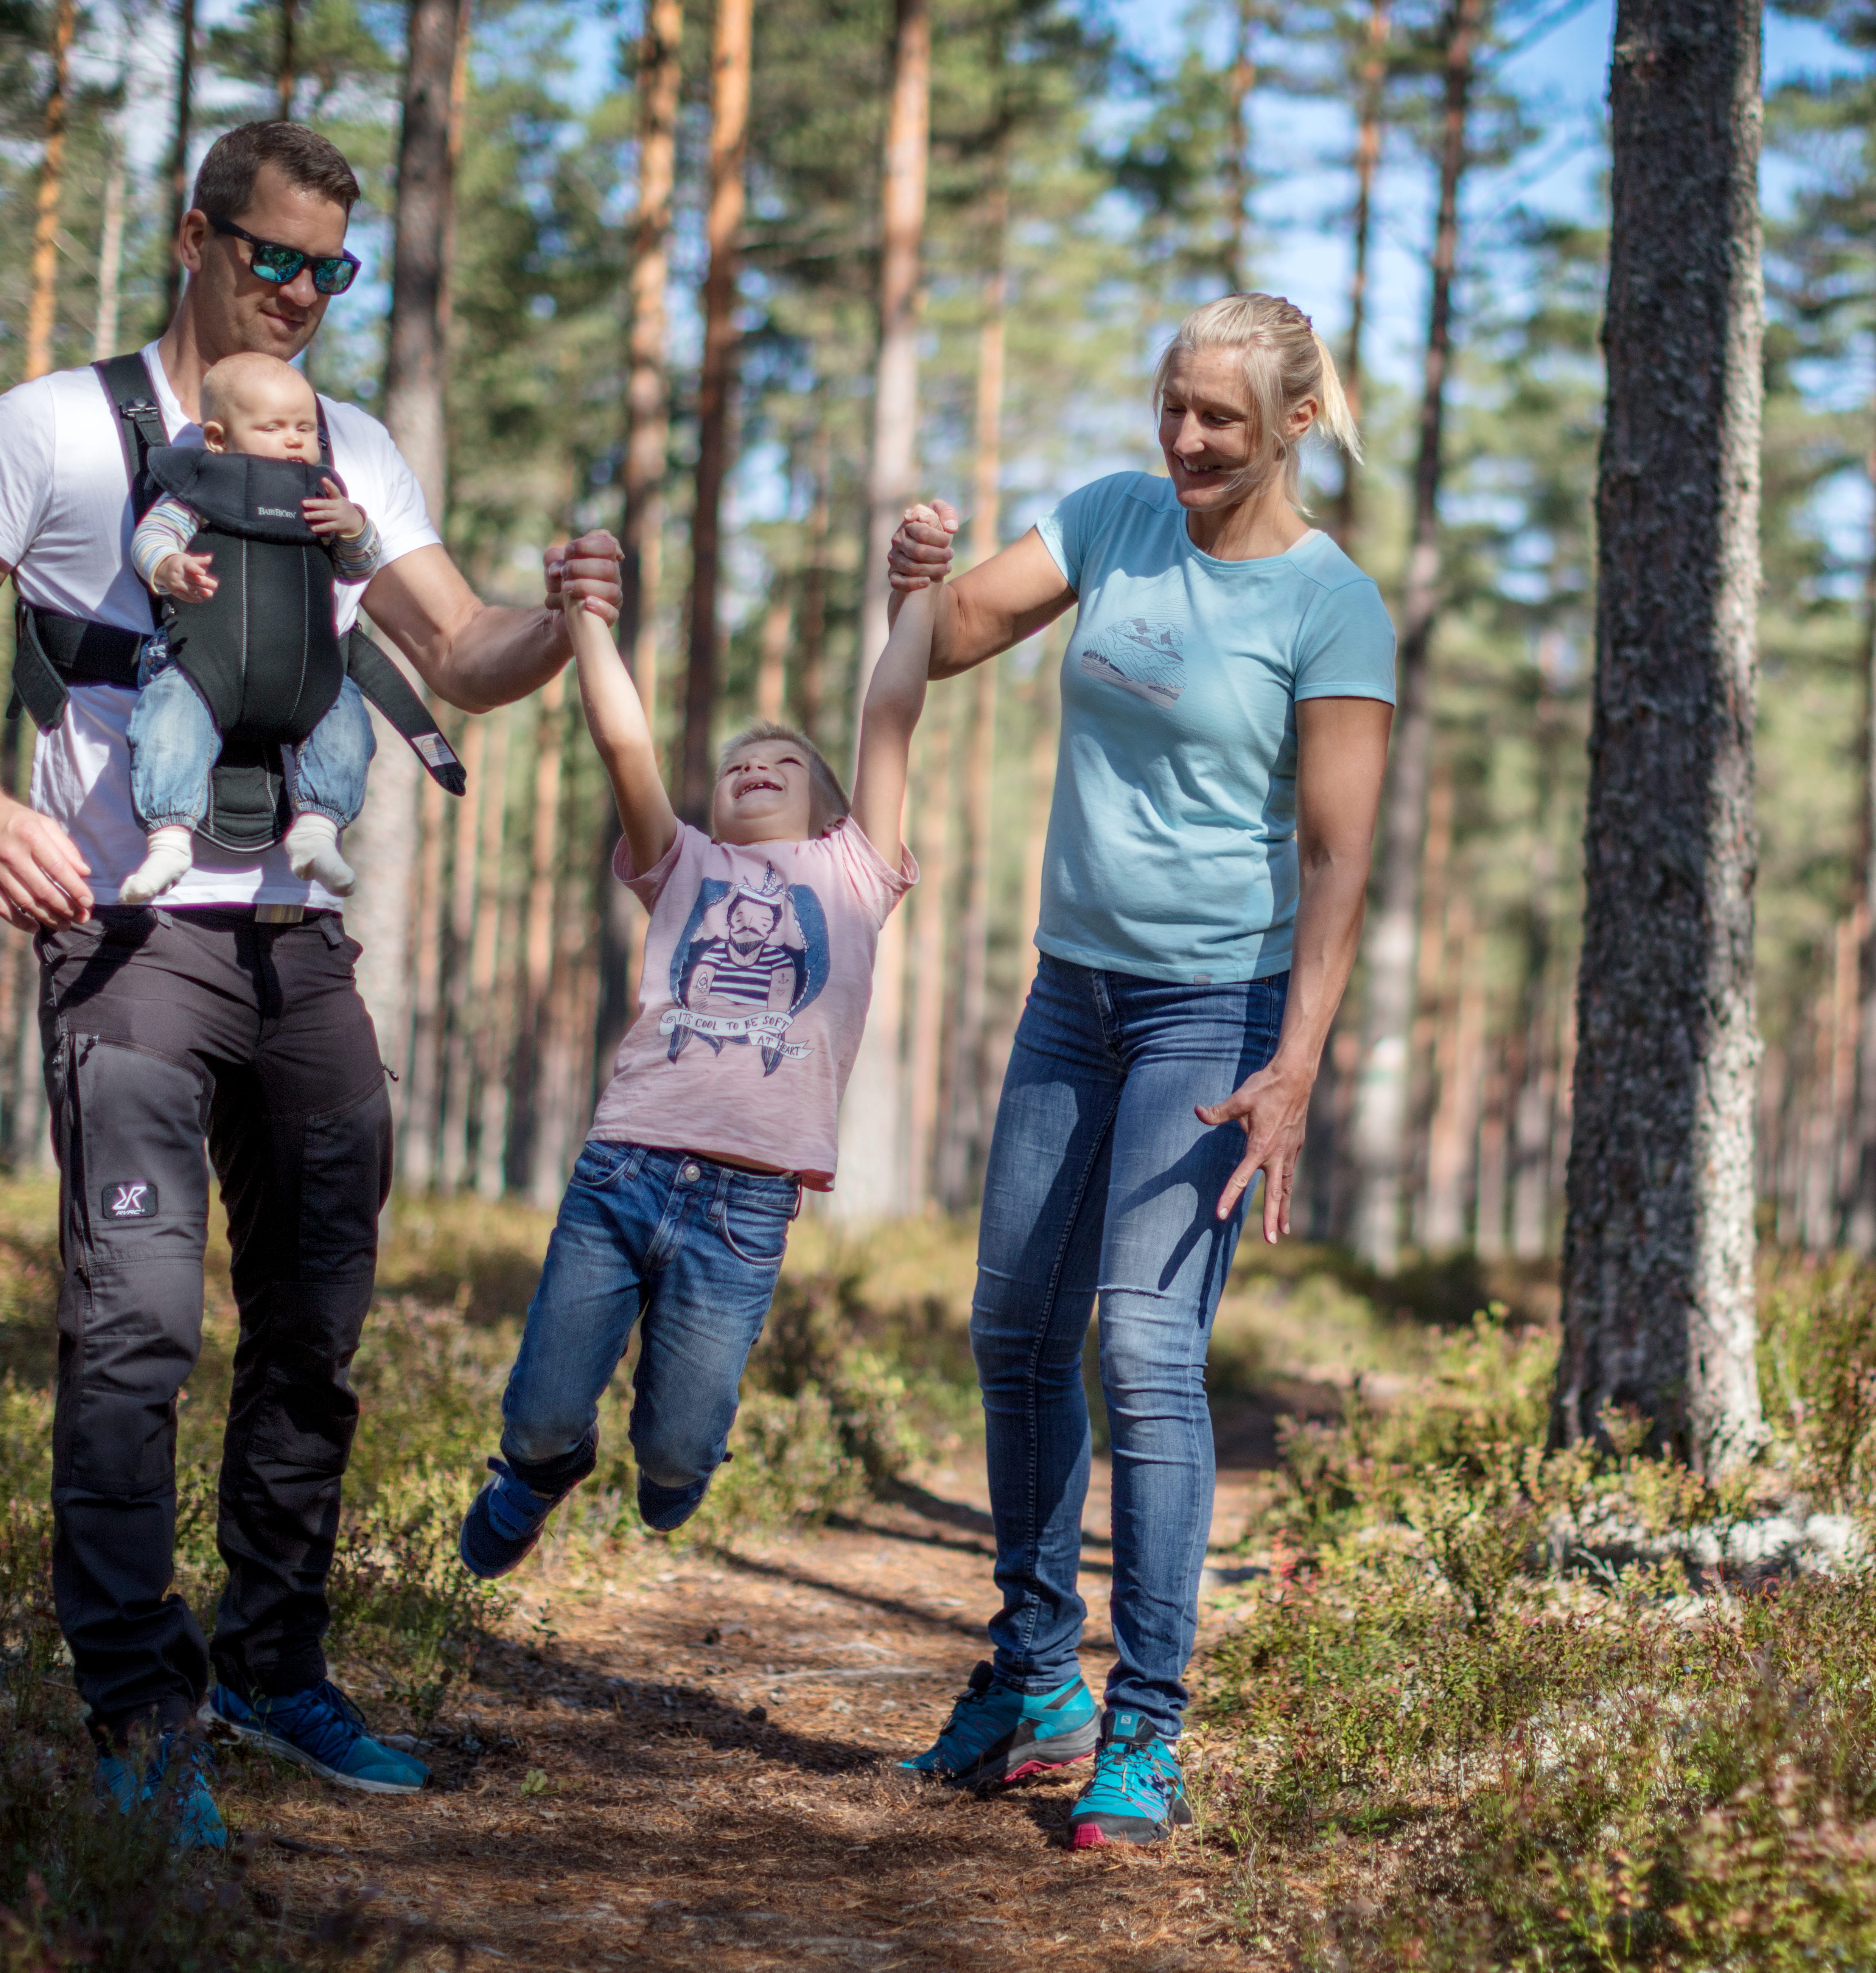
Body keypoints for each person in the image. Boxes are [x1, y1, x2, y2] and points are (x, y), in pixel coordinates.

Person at [0, 120, 624, 1850]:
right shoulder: (57, 428)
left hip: (298, 942)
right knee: (136, 1329)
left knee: (317, 1329)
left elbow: (455, 648)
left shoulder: (344, 443)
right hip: (131, 942)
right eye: (273, 257)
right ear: (193, 235)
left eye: (329, 270)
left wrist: (562, 613)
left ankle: (280, 1667)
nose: (300, 294)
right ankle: (142, 1709)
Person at [889, 294, 1394, 1849]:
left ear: (1290, 425)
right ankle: (1033, 1679)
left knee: (1145, 1348)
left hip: (1216, 1012)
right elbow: (959, 633)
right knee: (1013, 1328)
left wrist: (1294, 1062)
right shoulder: (1115, 518)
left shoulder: (1331, 605)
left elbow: (1335, 852)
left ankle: (1146, 1726)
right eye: (1171, 406)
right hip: (1072, 990)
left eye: (1217, 420)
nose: (1181, 440)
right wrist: (918, 574)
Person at [456, 524, 939, 1572]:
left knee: (676, 1456)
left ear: (832, 809)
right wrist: (587, 621)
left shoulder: (856, 874)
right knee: (536, 1418)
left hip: (746, 1204)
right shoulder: (679, 864)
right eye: (733, 766)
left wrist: (920, 597)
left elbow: (889, 713)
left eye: (781, 764)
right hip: (621, 1169)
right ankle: (541, 1471)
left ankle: (673, 1468)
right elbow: (626, 746)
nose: (753, 770)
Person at [121, 350, 380, 905]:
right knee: (168, 721)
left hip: (308, 672)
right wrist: (168, 567)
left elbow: (359, 570)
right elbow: (152, 536)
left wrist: (354, 528)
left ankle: (319, 829)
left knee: (347, 725)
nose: (294, 441)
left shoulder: (322, 499)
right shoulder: (200, 487)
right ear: (217, 438)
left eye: (305, 428)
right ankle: (168, 836)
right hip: (203, 662)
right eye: (274, 428)